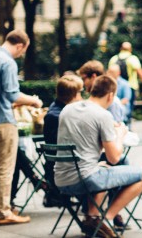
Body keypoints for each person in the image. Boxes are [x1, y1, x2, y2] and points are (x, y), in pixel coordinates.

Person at [54, 75, 142, 237]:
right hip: (84, 180)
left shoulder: (68, 109)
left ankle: (92, 218)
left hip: (61, 179)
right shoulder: (103, 115)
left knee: (103, 168)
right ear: (111, 96)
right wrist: (119, 134)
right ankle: (107, 219)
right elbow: (114, 157)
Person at [0, 30, 42, 225]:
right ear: (20, 45)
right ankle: (2, 211)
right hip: (2, 120)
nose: (21, 54)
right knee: (5, 168)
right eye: (23, 51)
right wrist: (34, 101)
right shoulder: (8, 62)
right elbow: (12, 95)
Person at [42, 75, 84, 208]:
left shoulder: (57, 110)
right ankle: (100, 213)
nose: (82, 96)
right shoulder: (60, 116)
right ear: (74, 95)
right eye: (80, 92)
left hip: (65, 166)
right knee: (114, 161)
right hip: (67, 170)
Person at [108, 42, 142, 115]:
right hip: (130, 86)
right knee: (128, 107)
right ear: (130, 49)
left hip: (115, 86)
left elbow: (108, 73)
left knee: (114, 105)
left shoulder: (113, 59)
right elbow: (140, 71)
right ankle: (127, 122)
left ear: (121, 49)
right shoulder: (132, 58)